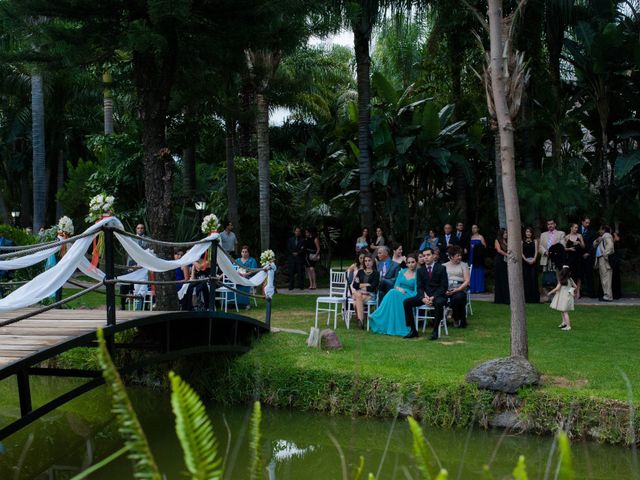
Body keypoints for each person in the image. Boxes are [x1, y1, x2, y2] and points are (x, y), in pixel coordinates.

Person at [403, 247, 448, 340]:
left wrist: (433, 297)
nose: (426, 257)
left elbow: (444, 286)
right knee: (407, 302)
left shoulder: (441, 268)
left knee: (439, 303)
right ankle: (413, 330)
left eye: (428, 255)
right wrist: (423, 297)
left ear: (434, 256)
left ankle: (435, 331)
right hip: (425, 296)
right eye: (424, 256)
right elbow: (419, 287)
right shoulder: (420, 270)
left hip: (438, 296)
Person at [368, 253, 418, 336]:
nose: (410, 264)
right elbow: (396, 285)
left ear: (416, 262)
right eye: (408, 263)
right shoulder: (402, 272)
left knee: (392, 292)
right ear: (406, 264)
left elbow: (416, 291)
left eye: (412, 262)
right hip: (398, 292)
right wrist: (399, 289)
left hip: (410, 295)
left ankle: (376, 315)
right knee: (392, 292)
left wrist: (405, 291)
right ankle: (378, 316)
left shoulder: (418, 274)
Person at [120, 223, 148, 310]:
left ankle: (143, 305)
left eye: (142, 228)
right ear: (136, 229)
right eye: (138, 228)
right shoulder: (131, 239)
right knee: (123, 283)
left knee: (143, 282)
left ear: (144, 229)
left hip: (143, 266)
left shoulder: (148, 240)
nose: (140, 230)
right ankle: (123, 304)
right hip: (131, 267)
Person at [443, 246, 470, 328]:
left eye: (460, 255)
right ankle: (442, 318)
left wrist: (458, 289)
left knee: (458, 297)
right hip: (446, 287)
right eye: (457, 256)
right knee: (438, 297)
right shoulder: (444, 265)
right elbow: (440, 280)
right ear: (451, 256)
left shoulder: (464, 265)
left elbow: (467, 281)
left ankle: (451, 311)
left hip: (460, 287)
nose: (460, 257)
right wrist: (444, 290)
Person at [350, 254, 380, 329]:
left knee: (355, 302)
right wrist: (366, 284)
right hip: (359, 294)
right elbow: (354, 285)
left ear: (373, 262)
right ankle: (361, 321)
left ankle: (360, 320)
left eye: (369, 261)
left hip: (370, 295)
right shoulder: (360, 272)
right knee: (359, 296)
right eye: (365, 261)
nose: (367, 263)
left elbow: (372, 288)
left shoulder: (376, 274)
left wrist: (360, 286)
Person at [549, 266, 577, 331]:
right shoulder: (570, 279)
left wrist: (550, 292)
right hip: (567, 297)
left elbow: (557, 288)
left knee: (565, 311)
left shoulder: (562, 280)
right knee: (562, 310)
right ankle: (564, 322)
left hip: (564, 297)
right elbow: (575, 286)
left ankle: (568, 326)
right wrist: (571, 290)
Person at [593, 225, 614, 301]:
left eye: (600, 229)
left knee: (606, 277)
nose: (599, 231)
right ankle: (606, 295)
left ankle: (608, 296)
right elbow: (594, 244)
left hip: (604, 259)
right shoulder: (602, 237)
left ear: (603, 230)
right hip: (601, 259)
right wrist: (598, 240)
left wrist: (605, 254)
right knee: (604, 277)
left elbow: (610, 246)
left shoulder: (607, 235)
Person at [565, 223, 585, 299]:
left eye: (577, 228)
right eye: (575, 228)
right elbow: (563, 248)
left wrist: (579, 243)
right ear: (571, 228)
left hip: (578, 257)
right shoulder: (567, 237)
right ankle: (572, 291)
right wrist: (569, 249)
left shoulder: (579, 236)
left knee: (579, 275)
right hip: (570, 258)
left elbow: (584, 246)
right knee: (571, 275)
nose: (576, 229)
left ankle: (578, 291)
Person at [521, 226, 540, 303]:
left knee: (533, 279)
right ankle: (526, 298)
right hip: (525, 262)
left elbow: (536, 251)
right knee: (526, 279)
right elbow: (521, 252)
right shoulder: (522, 241)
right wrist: (525, 259)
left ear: (532, 233)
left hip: (533, 262)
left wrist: (534, 259)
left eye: (530, 232)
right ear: (525, 233)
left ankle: (534, 298)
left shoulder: (535, 241)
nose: (528, 233)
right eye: (527, 232)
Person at [579, 217, 596, 297]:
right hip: (578, 255)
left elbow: (593, 244)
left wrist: (588, 253)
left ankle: (591, 293)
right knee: (579, 274)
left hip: (588, 255)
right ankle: (579, 292)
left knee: (589, 274)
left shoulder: (592, 231)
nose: (588, 224)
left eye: (589, 223)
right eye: (586, 222)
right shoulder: (577, 229)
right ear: (582, 222)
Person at [493, 228, 510, 304]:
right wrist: (507, 255)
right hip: (499, 261)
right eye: (505, 233)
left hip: (506, 261)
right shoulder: (497, 240)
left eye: (506, 233)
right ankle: (500, 298)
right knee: (500, 278)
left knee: (505, 279)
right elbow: (499, 250)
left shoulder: (507, 241)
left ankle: (506, 297)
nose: (506, 234)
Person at [468, 224, 486, 293]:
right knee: (472, 271)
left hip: (478, 257)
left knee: (479, 272)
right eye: (472, 228)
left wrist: (476, 246)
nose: (473, 229)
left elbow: (484, 246)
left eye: (475, 228)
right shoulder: (471, 237)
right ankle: (473, 288)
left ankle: (479, 288)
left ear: (478, 229)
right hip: (472, 256)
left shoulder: (480, 237)